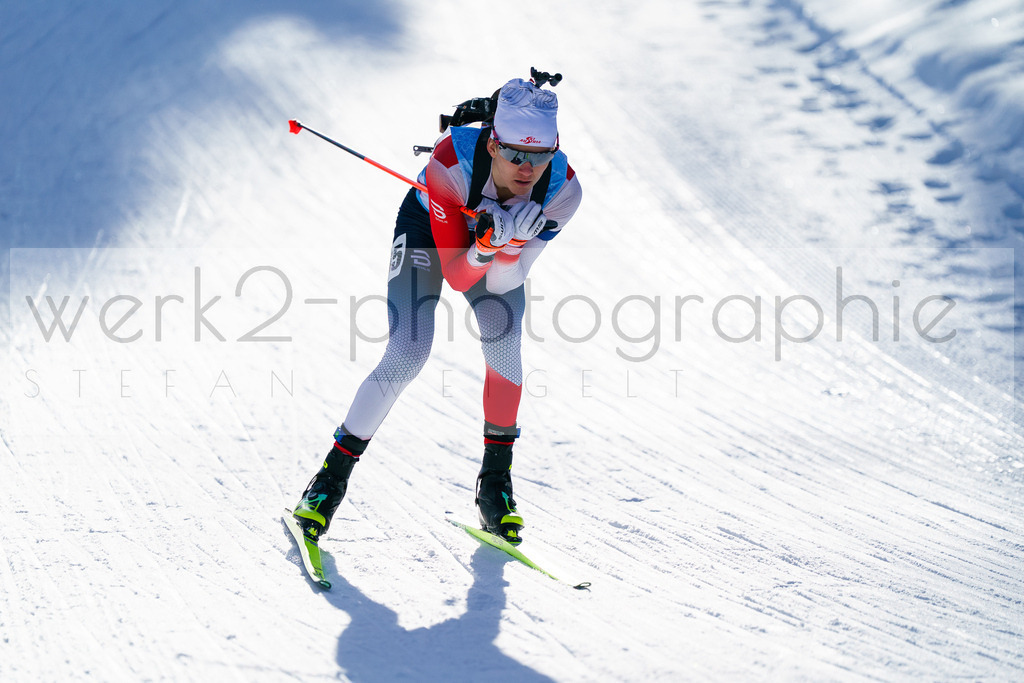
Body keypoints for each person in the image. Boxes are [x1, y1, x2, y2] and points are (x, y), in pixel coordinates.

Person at [293, 75, 583, 546]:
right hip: (430, 231)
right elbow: (458, 274)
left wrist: (510, 246)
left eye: (541, 156)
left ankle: (495, 486)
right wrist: (485, 247)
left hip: (497, 249)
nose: (527, 168)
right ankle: (329, 480)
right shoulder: (450, 163)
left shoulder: (562, 189)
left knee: (505, 344)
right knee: (408, 350)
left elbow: (506, 281)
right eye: (515, 154)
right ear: (493, 144)